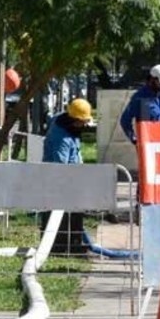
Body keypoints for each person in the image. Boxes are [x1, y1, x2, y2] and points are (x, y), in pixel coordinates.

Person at [41, 98, 93, 253]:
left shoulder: (66, 124)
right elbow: (61, 165)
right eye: (82, 122)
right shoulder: (61, 137)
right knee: (60, 214)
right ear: (74, 120)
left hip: (72, 177)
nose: (84, 125)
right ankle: (61, 246)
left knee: (75, 212)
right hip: (60, 180)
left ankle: (74, 242)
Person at [119, 64, 160, 144]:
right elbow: (125, 120)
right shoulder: (140, 97)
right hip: (148, 143)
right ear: (153, 80)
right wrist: (133, 138)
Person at [44, 98, 92, 164]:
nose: (85, 125)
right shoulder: (61, 139)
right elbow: (61, 167)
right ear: (76, 120)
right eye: (83, 122)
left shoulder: (69, 126)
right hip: (61, 172)